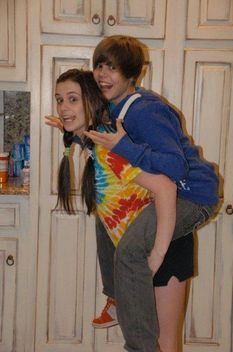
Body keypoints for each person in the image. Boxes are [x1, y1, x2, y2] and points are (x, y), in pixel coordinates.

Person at [46, 58, 219, 352]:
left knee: (163, 343)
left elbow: (165, 188)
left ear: (91, 99)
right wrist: (73, 132)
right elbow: (94, 145)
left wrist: (157, 255)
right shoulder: (99, 142)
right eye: (60, 100)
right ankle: (115, 297)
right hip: (144, 244)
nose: (63, 107)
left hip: (162, 244)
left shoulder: (114, 146)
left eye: (73, 99)